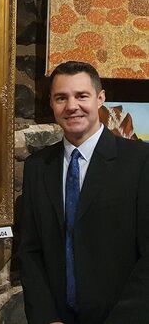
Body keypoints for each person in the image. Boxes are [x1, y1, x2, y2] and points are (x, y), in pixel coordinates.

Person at [18, 61, 149, 324]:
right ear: (52, 105)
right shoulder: (37, 167)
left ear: (100, 98)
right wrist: (46, 316)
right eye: (61, 98)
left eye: (81, 96)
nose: (71, 106)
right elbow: (30, 250)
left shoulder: (140, 161)